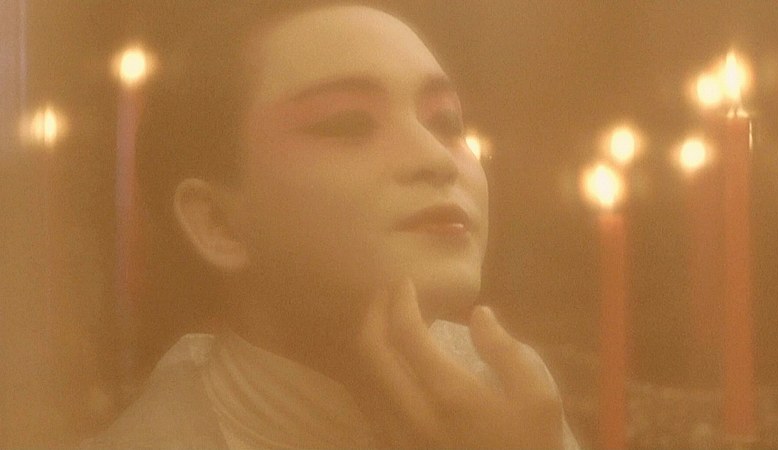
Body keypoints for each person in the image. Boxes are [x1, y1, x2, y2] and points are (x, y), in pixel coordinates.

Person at [86, 2, 579, 448]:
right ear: (218, 223)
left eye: (446, 121)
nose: (437, 159)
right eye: (348, 124)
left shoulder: (514, 405)